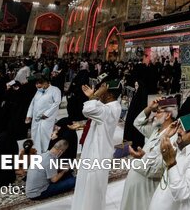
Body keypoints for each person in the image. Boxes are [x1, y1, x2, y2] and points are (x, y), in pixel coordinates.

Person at [70, 80, 122, 210]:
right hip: (94, 151)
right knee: (86, 186)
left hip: (97, 155)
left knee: (92, 190)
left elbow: (88, 110)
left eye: (102, 92)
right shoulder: (109, 107)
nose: (100, 95)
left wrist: (94, 95)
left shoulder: (111, 109)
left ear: (108, 95)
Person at [120, 97, 178, 210]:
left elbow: (158, 169)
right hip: (136, 187)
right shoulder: (156, 130)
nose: (155, 115)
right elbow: (137, 123)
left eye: (158, 112)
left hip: (146, 189)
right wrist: (149, 108)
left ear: (168, 115)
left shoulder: (172, 138)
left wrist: (142, 157)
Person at [148, 111, 190, 210]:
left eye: (182, 128)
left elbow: (183, 193)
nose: (178, 131)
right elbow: (151, 163)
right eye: (179, 127)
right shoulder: (179, 149)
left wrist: (172, 164)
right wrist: (165, 136)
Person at [26, 73, 62, 153]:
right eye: (36, 83)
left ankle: (46, 152)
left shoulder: (55, 90)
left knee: (45, 136)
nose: (38, 85)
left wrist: (46, 114)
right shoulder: (38, 91)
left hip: (46, 119)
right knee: (35, 135)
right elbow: (33, 103)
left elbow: (57, 103)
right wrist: (29, 115)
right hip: (36, 118)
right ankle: (37, 151)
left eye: (40, 83)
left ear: (46, 82)